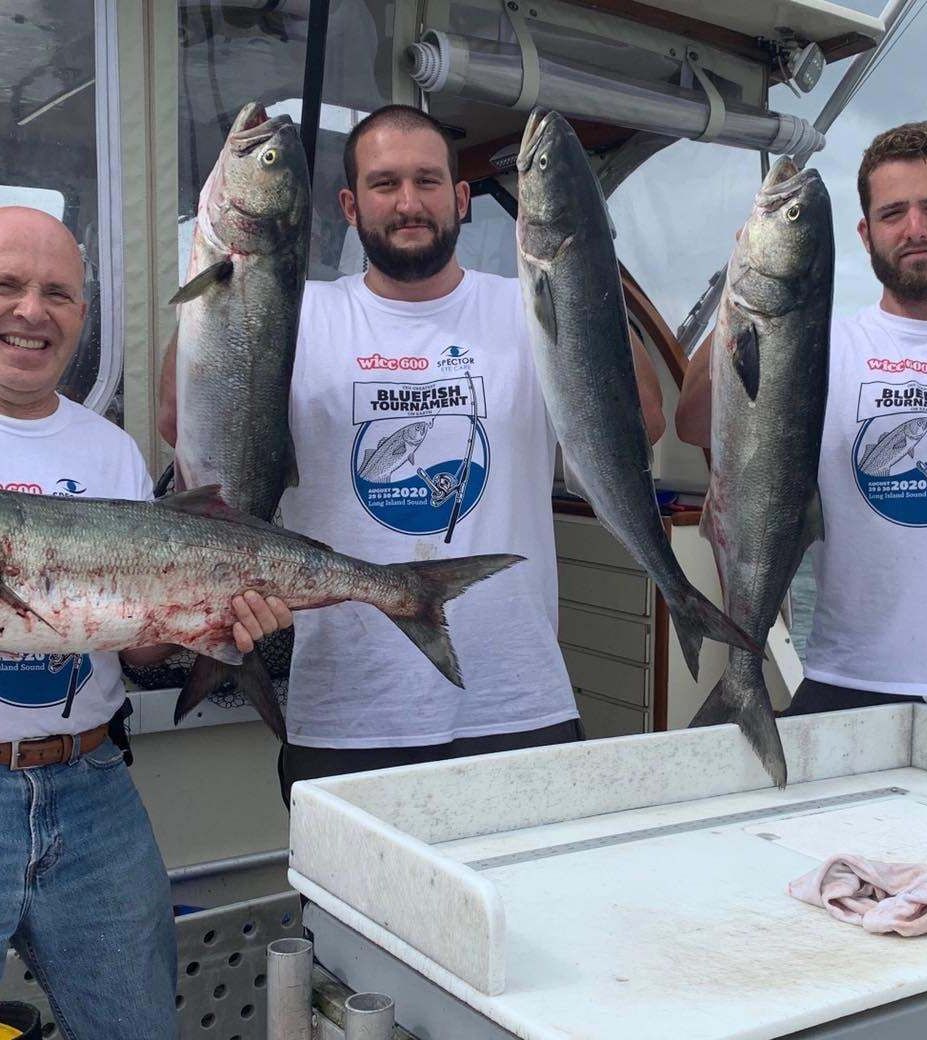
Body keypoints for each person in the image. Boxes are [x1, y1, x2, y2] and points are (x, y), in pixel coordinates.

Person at [161, 104, 665, 804]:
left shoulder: (524, 306)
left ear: (461, 199)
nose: (408, 202)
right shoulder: (301, 313)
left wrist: (585, 272)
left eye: (427, 181)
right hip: (345, 713)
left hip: (518, 702)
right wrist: (222, 279)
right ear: (349, 206)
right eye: (384, 183)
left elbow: (644, 419)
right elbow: (177, 418)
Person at [676, 121, 927, 797]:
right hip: (849, 681)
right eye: (893, 213)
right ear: (865, 234)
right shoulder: (821, 344)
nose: (915, 229)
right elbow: (696, 418)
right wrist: (743, 283)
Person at [0, 206, 292, 1038]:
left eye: (57, 293)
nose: (31, 311)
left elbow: (136, 647)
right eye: (8, 285)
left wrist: (214, 626)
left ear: (82, 316)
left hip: (92, 790)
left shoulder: (109, 452)